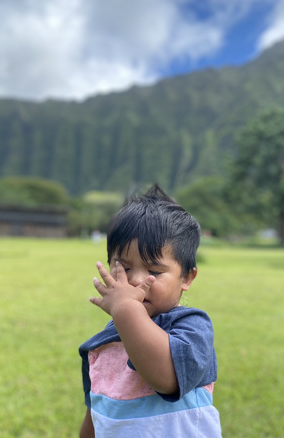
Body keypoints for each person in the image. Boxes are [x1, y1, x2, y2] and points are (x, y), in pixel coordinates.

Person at [78, 185, 222, 437]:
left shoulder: (192, 327)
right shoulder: (103, 342)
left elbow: (165, 379)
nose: (135, 280)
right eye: (124, 268)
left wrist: (125, 308)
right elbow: (97, 407)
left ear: (186, 278)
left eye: (154, 271)